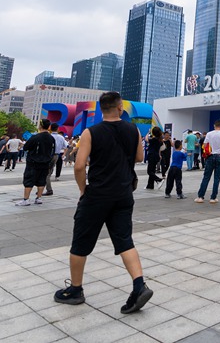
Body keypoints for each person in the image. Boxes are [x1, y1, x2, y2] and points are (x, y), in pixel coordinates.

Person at [54, 91, 153, 314]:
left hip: (97, 195)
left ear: (101, 110)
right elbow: (139, 158)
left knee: (81, 241)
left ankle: (76, 290)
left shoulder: (91, 132)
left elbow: (79, 166)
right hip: (124, 194)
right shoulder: (133, 130)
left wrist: (83, 190)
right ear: (119, 108)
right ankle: (139, 285)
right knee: (125, 240)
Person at [15, 120, 55, 206]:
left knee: (29, 180)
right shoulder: (51, 138)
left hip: (33, 162)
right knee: (42, 180)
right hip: (46, 162)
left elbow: (26, 147)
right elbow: (53, 150)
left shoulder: (35, 137)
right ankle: (39, 198)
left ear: (40, 126)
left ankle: (26, 199)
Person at [195, 120, 220, 204]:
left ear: (214, 125)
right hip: (219, 156)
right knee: (217, 178)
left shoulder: (209, 134)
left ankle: (200, 197)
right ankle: (213, 197)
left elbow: (205, 145)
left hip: (210, 156)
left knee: (206, 177)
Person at [44, 123, 67, 196]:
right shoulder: (61, 137)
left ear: (50, 128)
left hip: (48, 155)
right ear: (58, 129)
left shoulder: (48, 136)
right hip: (56, 155)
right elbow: (66, 146)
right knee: (49, 171)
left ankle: (48, 189)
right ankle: (43, 187)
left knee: (46, 173)